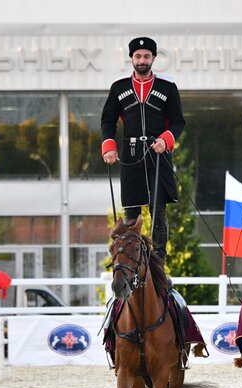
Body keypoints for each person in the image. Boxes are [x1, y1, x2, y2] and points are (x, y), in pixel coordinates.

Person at [100, 37, 185, 263]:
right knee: (131, 215)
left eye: (146, 56)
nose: (142, 60)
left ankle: (159, 264)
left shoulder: (167, 88)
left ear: (153, 58)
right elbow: (107, 120)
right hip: (130, 156)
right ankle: (132, 263)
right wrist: (109, 147)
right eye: (138, 56)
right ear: (132, 58)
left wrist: (166, 139)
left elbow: (178, 122)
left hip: (158, 155)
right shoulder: (119, 88)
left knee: (158, 211)